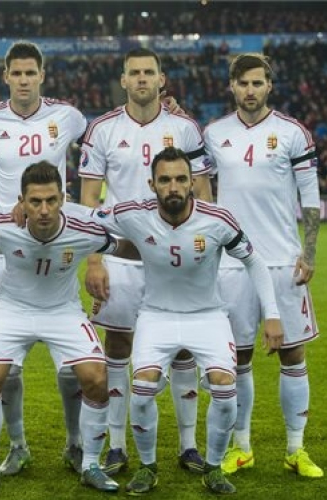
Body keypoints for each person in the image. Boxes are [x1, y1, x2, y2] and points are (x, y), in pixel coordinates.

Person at [91, 147, 283, 495]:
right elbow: (85, 217)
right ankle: (148, 467)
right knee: (143, 390)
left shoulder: (218, 219)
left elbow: (254, 262)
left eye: (181, 179)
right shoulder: (133, 213)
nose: (174, 187)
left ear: (192, 182)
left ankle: (213, 468)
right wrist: (30, 212)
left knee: (225, 388)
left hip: (208, 317)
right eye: (165, 180)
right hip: (156, 316)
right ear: (152, 184)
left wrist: (272, 316)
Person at [78, 47, 213, 475]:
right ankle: (117, 447)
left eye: (148, 72)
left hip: (177, 259)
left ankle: (188, 446)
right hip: (122, 258)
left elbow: (204, 195)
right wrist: (94, 259)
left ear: (161, 79)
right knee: (118, 347)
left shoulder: (185, 128)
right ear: (123, 80)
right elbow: (89, 201)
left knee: (184, 348)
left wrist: (203, 255)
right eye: (133, 72)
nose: (141, 79)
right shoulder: (102, 129)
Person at [0, 161, 135, 494]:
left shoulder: (84, 230)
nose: (44, 210)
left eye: (51, 201)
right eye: (35, 201)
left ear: (62, 199)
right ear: (21, 202)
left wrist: (167, 251)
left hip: (63, 311)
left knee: (96, 378)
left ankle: (89, 463)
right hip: (12, 310)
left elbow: (125, 246)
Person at [0, 40, 89, 475]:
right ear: (6, 76)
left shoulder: (69, 117)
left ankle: (75, 443)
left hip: (56, 248)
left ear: (42, 75)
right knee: (5, 363)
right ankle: (17, 445)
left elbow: (106, 142)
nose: (23, 80)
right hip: (4, 255)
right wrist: (5, 211)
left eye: (30, 73)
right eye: (16, 73)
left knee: (72, 362)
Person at [204, 53, 322, 478]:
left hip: (282, 262)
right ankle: (242, 448)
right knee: (237, 359)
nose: (250, 90)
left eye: (257, 83)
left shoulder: (293, 133)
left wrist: (309, 252)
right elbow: (198, 184)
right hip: (231, 265)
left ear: (269, 85)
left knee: (293, 354)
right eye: (243, 83)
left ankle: (296, 449)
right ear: (231, 86)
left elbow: (310, 198)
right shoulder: (214, 134)